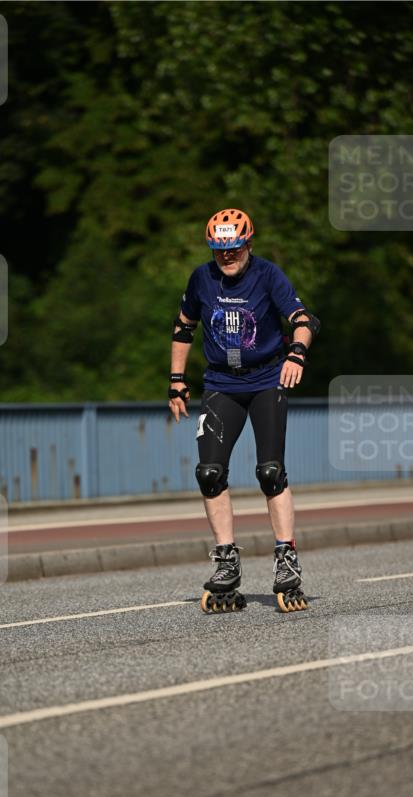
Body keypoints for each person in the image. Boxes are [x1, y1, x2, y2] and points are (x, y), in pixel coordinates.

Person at [168, 208, 320, 612]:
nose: (226, 257)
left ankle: (286, 559)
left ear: (248, 244)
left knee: (270, 472)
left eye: (233, 249)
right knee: (209, 473)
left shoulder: (269, 275)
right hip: (221, 384)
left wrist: (298, 354)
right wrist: (176, 380)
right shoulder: (202, 278)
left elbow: (304, 320)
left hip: (268, 380)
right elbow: (183, 327)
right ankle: (226, 561)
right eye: (219, 250)